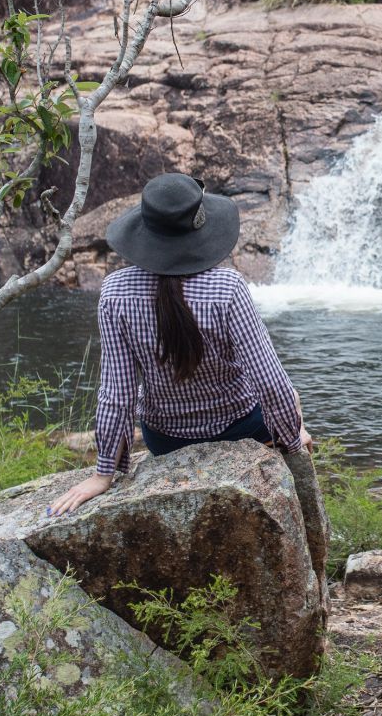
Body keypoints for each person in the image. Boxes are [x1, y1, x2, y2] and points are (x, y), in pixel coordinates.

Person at [49, 173, 310, 515]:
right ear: (198, 230)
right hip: (241, 428)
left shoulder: (114, 291)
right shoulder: (227, 287)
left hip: (165, 438)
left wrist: (103, 474)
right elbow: (270, 381)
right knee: (292, 396)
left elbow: (118, 393)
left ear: (144, 231)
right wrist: (293, 442)